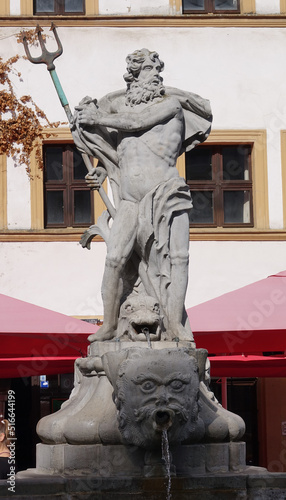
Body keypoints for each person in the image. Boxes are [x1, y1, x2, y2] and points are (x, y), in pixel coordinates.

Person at [72, 48, 212, 342]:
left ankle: (174, 324)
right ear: (133, 78)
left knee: (178, 259)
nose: (156, 75)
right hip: (131, 201)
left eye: (157, 70)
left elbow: (136, 123)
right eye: (148, 70)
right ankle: (109, 324)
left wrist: (98, 115)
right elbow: (120, 154)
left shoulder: (170, 105)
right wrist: (102, 168)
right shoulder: (121, 113)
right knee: (114, 260)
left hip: (167, 194)